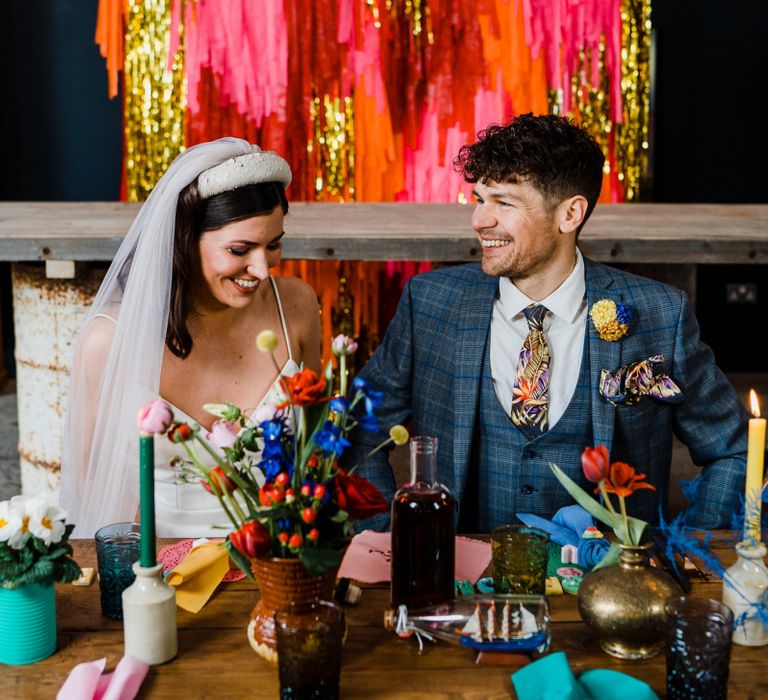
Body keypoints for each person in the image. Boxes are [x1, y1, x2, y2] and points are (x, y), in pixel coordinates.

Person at [346, 113, 749, 532]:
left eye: (503, 203)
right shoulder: (429, 303)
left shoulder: (660, 314)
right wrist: (385, 543)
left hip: (606, 587)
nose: (480, 220)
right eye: (480, 199)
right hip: (457, 584)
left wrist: (690, 551)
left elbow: (732, 450)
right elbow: (359, 432)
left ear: (570, 214)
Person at [61, 139, 321, 538]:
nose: (262, 269)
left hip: (278, 564)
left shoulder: (298, 307)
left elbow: (313, 453)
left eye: (273, 245)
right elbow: (94, 494)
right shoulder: (108, 343)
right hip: (157, 572)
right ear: (184, 240)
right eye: (240, 249)